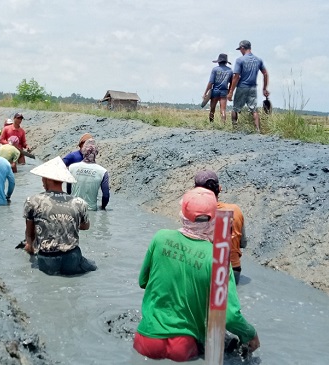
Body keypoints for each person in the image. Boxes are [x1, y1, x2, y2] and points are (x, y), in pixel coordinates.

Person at [134, 187, 260, 362]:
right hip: (183, 347)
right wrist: (250, 334)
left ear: (183, 214)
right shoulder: (218, 258)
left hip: (145, 339)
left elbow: (143, 281)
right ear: (213, 219)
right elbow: (230, 316)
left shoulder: (160, 237)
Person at [23, 156, 97, 276]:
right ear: (62, 180)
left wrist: (29, 246)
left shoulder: (32, 201)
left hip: (47, 260)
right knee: (93, 267)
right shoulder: (79, 202)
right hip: (72, 258)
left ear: (47, 179)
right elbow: (85, 226)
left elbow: (30, 233)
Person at [194, 170, 247, 285]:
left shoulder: (197, 213)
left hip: (207, 269)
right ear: (220, 188)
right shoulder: (235, 209)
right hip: (234, 269)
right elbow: (243, 244)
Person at [227, 40, 269, 133]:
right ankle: (257, 129)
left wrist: (230, 92)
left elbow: (236, 77)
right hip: (253, 88)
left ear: (242, 48)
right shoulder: (258, 60)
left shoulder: (240, 60)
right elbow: (265, 74)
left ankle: (235, 129)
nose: (240, 52)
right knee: (254, 109)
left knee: (235, 109)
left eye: (240, 49)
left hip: (242, 87)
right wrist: (264, 88)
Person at [69, 139, 110, 211]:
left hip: (73, 209)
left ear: (83, 152)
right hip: (91, 210)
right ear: (96, 153)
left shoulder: (72, 168)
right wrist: (103, 207)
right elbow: (106, 195)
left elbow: (69, 191)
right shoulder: (103, 172)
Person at [203, 53, 233, 123]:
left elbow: (211, 82)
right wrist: (229, 92)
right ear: (226, 62)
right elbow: (232, 83)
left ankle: (211, 124)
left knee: (212, 109)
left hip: (215, 91)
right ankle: (223, 125)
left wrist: (205, 93)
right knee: (223, 110)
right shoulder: (230, 71)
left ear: (219, 62)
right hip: (224, 91)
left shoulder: (215, 70)